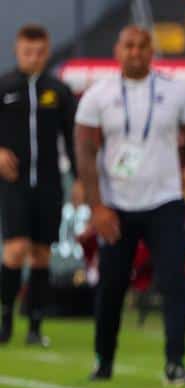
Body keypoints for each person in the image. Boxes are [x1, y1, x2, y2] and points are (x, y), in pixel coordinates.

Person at [74, 25, 185, 385]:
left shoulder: (176, 90)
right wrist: (97, 207)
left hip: (164, 200)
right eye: (129, 46)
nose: (135, 52)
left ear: (152, 51)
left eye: (142, 46)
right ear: (117, 51)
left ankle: (175, 363)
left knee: (174, 282)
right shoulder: (98, 94)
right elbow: (85, 152)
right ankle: (103, 360)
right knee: (112, 284)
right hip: (116, 204)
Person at [0, 24, 77, 347]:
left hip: (48, 184)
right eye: (28, 51)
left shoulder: (58, 91)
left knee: (42, 253)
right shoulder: (4, 86)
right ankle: (5, 319)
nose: (34, 57)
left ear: (47, 52)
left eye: (40, 52)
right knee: (15, 249)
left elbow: (73, 138)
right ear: (17, 51)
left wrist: (80, 178)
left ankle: (35, 324)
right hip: (14, 184)